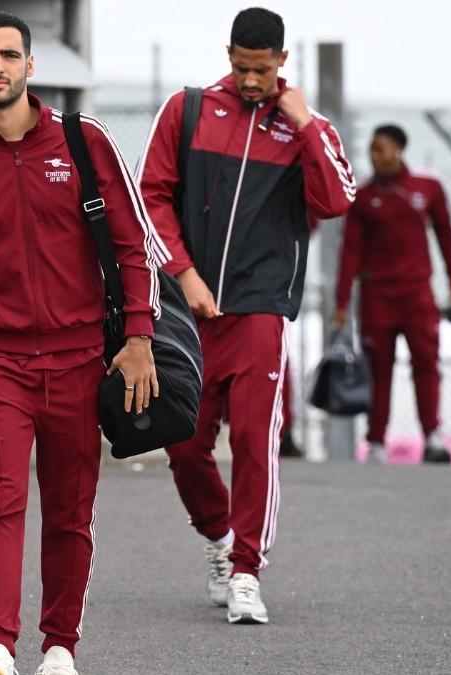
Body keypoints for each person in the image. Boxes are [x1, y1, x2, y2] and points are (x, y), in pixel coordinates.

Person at [0, 12, 165, 675]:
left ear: (31, 65)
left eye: (10, 54)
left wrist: (138, 335)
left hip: (83, 360)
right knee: (1, 500)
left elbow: (133, 245)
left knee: (70, 509)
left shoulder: (85, 143)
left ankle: (59, 647)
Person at [138, 7, 355, 624]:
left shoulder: (306, 127)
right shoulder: (188, 109)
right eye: (241, 67)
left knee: (257, 441)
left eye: (261, 70)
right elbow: (151, 194)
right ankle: (218, 539)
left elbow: (335, 199)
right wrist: (183, 274)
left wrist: (306, 125)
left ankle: (247, 573)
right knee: (181, 441)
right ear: (228, 54)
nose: (251, 80)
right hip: (189, 309)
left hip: (261, 308)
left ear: (283, 61)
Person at [333, 123, 451, 465]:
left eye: (381, 149)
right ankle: (376, 442)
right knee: (378, 368)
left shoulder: (427, 189)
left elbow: (446, 236)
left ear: (398, 150)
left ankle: (433, 436)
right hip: (377, 296)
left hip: (417, 294)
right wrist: (342, 302)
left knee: (426, 363)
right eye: (371, 149)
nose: (374, 156)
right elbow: (350, 252)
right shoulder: (362, 198)